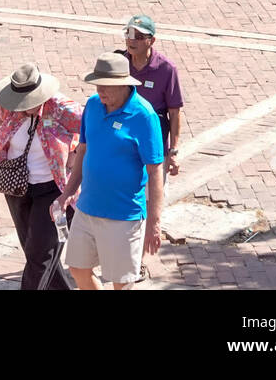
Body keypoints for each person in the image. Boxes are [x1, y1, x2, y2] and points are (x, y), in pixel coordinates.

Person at [57, 53, 164, 290]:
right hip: (87, 208)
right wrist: (67, 193)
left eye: (106, 86)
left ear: (124, 84)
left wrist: (154, 224)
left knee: (122, 283)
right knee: (77, 268)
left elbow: (156, 171)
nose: (100, 91)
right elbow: (83, 151)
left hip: (123, 216)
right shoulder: (93, 106)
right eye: (97, 85)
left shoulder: (144, 116)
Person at [0, 64, 82, 290]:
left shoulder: (61, 108)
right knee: (34, 250)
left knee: (39, 257)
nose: (25, 108)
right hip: (17, 188)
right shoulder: (5, 104)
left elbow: (91, 128)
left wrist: (75, 152)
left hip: (53, 190)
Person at [117, 18, 183, 177]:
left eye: (139, 37)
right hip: (121, 142)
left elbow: (174, 113)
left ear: (151, 40)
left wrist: (173, 152)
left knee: (152, 197)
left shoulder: (166, 69)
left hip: (152, 145)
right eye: (129, 34)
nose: (131, 40)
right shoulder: (119, 63)